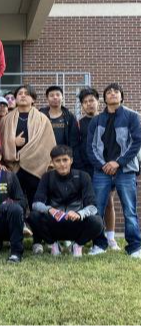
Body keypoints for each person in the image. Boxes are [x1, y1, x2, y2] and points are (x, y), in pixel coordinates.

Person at [0, 85, 55, 254]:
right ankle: (15, 240)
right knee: (14, 206)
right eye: (19, 94)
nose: (22, 96)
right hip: (13, 168)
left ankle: (38, 240)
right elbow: (0, 142)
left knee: (36, 205)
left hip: (36, 168)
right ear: (15, 99)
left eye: (26, 94)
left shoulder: (42, 119)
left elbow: (47, 144)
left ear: (33, 99)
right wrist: (12, 144)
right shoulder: (6, 119)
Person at [87, 83, 141, 258]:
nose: (112, 94)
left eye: (116, 92)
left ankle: (134, 247)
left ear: (121, 96)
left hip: (125, 170)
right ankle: (99, 244)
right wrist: (104, 165)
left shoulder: (132, 117)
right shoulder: (96, 120)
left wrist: (118, 163)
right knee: (98, 209)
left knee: (129, 210)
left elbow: (136, 143)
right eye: (108, 92)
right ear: (104, 98)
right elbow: (91, 147)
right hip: (102, 171)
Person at [28, 145, 104, 258]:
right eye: (57, 161)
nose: (62, 164)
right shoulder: (47, 177)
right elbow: (35, 204)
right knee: (33, 216)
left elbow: (93, 206)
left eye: (65, 160)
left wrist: (79, 214)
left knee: (97, 221)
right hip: (55, 223)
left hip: (75, 222)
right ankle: (53, 245)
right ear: (52, 162)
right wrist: (50, 210)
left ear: (71, 160)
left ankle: (78, 245)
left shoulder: (83, 176)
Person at [75, 87, 120, 250]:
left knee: (108, 202)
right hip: (85, 171)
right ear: (82, 105)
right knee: (85, 204)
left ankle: (110, 238)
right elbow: (77, 147)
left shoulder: (107, 119)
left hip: (106, 169)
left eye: (91, 100)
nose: (89, 104)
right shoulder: (78, 124)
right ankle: (87, 236)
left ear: (98, 101)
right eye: (85, 102)